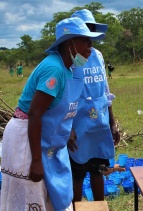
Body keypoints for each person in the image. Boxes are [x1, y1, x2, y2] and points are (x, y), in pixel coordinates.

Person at [1, 17, 105, 211]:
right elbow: (34, 114)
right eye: (85, 40)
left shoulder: (69, 68)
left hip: (44, 137)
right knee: (30, 196)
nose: (91, 46)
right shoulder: (54, 69)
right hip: (26, 138)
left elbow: (59, 108)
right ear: (69, 43)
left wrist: (67, 132)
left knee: (50, 196)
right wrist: (36, 161)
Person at [67, 9, 120, 207]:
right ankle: (76, 207)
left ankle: (99, 207)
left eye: (91, 30)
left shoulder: (97, 55)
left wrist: (112, 123)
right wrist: (68, 128)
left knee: (98, 169)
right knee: (78, 172)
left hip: (99, 121)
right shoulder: (70, 59)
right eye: (85, 30)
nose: (89, 35)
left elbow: (105, 90)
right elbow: (66, 93)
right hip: (78, 123)